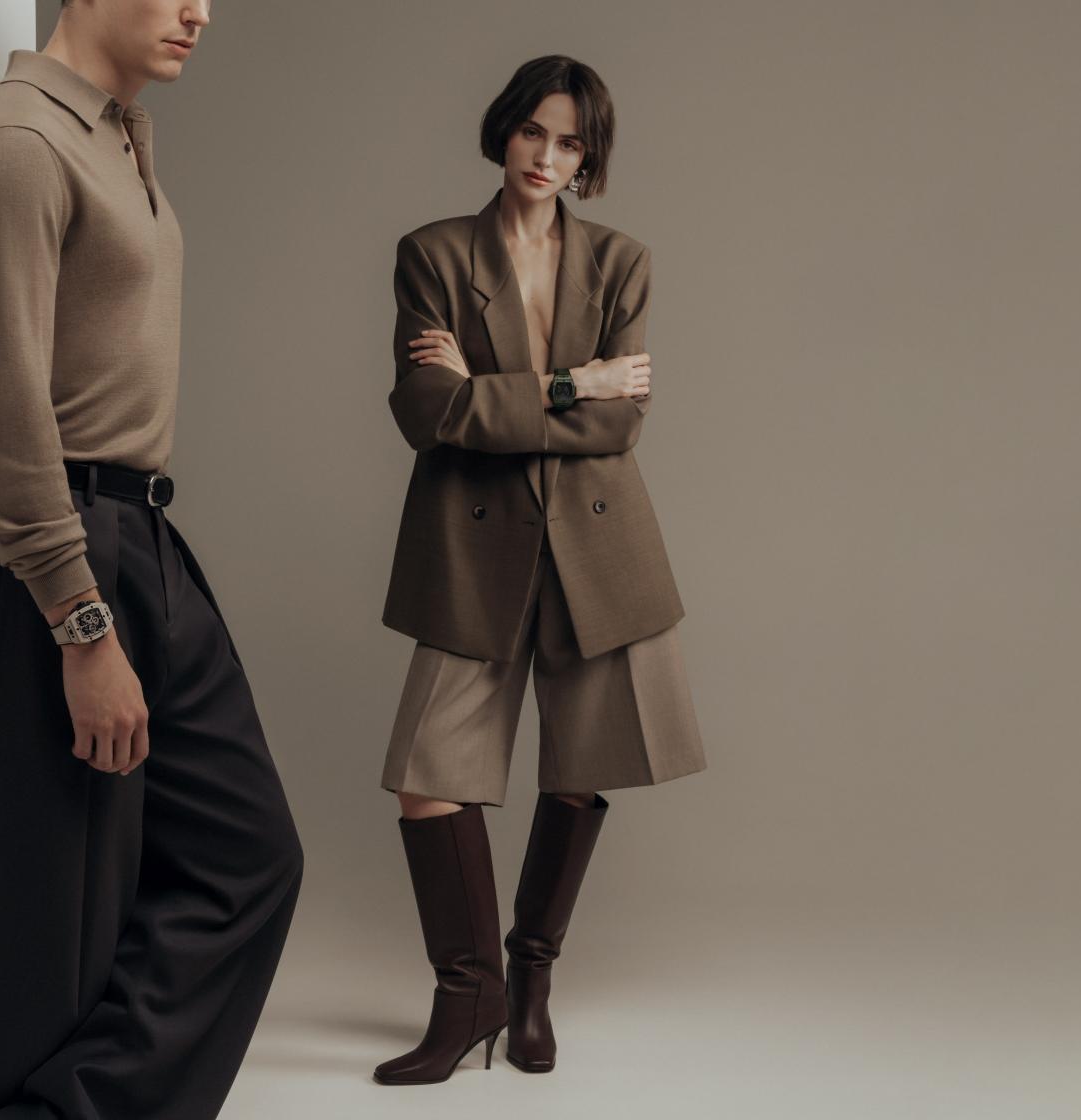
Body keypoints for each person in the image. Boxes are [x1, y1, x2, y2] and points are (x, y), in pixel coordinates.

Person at [0, 4, 304, 1117]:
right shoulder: (17, 146)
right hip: (48, 547)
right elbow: (4, 419)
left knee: (249, 858)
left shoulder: (112, 134)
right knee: (58, 943)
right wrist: (79, 624)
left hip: (139, 534)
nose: (200, 11)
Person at [373, 54, 708, 1085]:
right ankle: (465, 993)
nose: (546, 157)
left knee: (576, 769)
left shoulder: (621, 261)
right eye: (533, 132)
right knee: (426, 779)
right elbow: (426, 413)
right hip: (472, 546)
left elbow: (619, 426)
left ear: (587, 157)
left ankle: (528, 980)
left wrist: (499, 396)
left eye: (570, 143)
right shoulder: (434, 252)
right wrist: (571, 383)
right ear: (503, 130)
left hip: (596, 548)